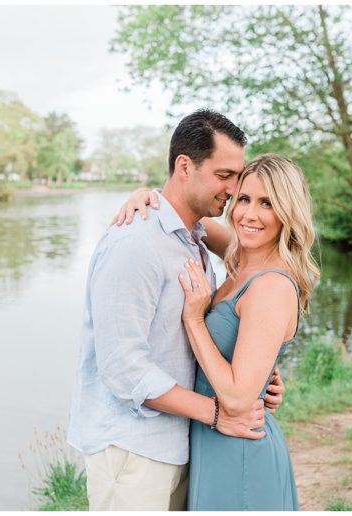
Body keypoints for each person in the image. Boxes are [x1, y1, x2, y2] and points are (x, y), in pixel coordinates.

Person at [67, 109, 286, 511]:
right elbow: (122, 367)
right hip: (132, 450)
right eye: (225, 176)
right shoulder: (135, 243)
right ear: (184, 166)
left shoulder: (194, 237)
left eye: (237, 177)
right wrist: (217, 413)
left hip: (183, 443)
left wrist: (259, 375)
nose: (233, 191)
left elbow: (257, 295)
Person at [115, 154, 320, 510]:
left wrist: (195, 322)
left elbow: (239, 400)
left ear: (289, 212)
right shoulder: (242, 259)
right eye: (244, 198)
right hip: (211, 441)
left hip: (239, 449)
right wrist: (147, 196)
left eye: (267, 204)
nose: (248, 215)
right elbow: (185, 215)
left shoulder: (270, 285)